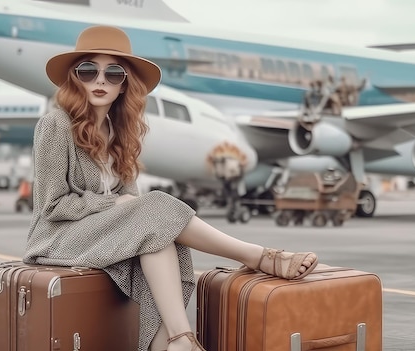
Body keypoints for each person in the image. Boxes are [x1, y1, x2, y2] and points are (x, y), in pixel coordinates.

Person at [24, 25, 319, 351]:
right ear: (75, 78)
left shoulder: (120, 131)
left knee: (161, 239)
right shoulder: (56, 124)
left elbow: (134, 204)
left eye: (113, 74)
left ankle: (178, 341)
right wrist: (114, 206)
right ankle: (258, 256)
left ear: (124, 85)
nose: (100, 81)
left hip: (102, 233)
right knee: (158, 210)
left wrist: (123, 206)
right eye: (88, 70)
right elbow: (52, 206)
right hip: (57, 238)